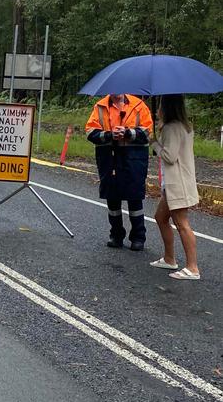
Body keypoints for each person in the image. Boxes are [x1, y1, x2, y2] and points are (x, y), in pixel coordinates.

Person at [85, 93, 153, 250]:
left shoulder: (138, 105)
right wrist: (110, 135)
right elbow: (90, 132)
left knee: (134, 197)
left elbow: (148, 131)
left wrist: (128, 133)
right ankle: (116, 235)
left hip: (134, 158)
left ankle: (138, 237)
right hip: (110, 157)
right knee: (112, 197)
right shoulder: (100, 107)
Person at [150, 95, 200, 280]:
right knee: (160, 217)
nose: (157, 109)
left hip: (177, 182)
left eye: (160, 105)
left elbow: (170, 157)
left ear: (167, 107)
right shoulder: (183, 126)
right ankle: (169, 258)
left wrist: (153, 142)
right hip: (176, 181)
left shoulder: (172, 128)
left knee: (182, 224)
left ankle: (192, 268)